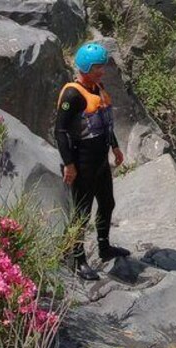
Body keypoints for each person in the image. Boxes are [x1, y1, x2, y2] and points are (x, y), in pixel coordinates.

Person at [54, 42, 129, 281]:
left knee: (107, 204)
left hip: (100, 161)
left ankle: (104, 248)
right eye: (97, 67)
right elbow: (60, 131)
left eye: (102, 66)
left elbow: (105, 123)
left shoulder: (98, 87)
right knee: (81, 213)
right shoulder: (72, 94)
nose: (102, 71)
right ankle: (77, 260)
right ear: (85, 67)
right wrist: (69, 164)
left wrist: (115, 146)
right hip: (82, 161)